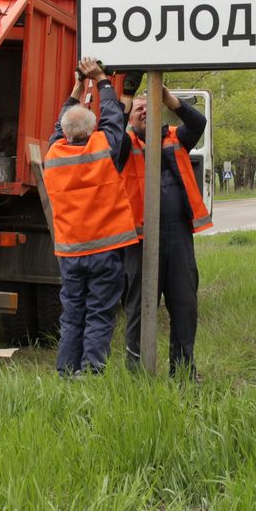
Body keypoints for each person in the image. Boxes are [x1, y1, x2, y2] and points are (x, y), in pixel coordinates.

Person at [43, 56, 138, 375]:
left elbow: (60, 124)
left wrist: (77, 86)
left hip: (70, 253)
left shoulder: (53, 155)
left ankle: (66, 372)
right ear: (91, 129)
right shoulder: (103, 148)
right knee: (99, 314)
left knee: (72, 315)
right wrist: (101, 80)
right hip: (104, 253)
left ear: (66, 132)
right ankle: (91, 374)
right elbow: (114, 115)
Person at [118, 81, 211, 378]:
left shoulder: (176, 138)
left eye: (150, 107)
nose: (145, 112)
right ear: (130, 120)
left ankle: (183, 372)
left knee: (185, 306)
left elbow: (199, 121)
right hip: (140, 239)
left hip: (178, 237)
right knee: (138, 309)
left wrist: (169, 99)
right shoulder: (123, 145)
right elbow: (111, 128)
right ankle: (137, 374)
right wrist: (127, 99)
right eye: (139, 110)